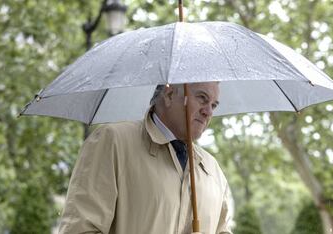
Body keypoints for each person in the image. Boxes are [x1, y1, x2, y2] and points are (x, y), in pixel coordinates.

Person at [58, 82, 233, 234]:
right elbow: (80, 229)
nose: (208, 111)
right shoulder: (113, 142)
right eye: (202, 98)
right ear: (170, 94)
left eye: (214, 105)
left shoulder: (213, 170)